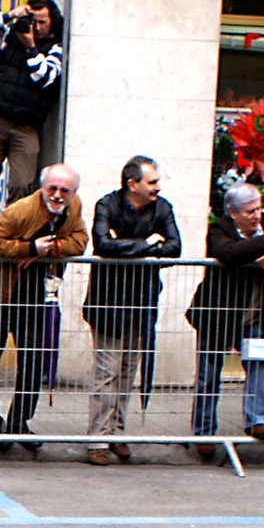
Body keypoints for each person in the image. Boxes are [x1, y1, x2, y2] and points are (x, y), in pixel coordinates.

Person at [0, 163, 88, 451]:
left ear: (74, 192)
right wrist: (27, 248)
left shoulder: (73, 208)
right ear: (42, 188)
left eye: (65, 190)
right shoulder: (20, 211)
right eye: (52, 188)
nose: (58, 195)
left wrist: (48, 249)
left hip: (34, 294)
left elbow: (80, 241)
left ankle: (18, 423)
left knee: (33, 362)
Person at [186, 182, 264, 461]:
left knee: (259, 367)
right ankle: (203, 432)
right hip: (218, 316)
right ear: (232, 213)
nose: (257, 215)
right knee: (208, 375)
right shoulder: (219, 230)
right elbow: (229, 254)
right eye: (249, 211)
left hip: (255, 317)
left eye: (258, 208)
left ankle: (257, 419)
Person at [83, 155, 181, 465]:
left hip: (143, 302)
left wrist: (129, 246)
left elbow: (175, 246)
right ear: (132, 183)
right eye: (151, 182)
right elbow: (100, 245)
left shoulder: (162, 207)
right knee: (106, 372)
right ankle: (97, 439)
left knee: (127, 372)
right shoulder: (107, 204)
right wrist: (147, 244)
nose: (157, 187)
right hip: (108, 302)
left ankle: (117, 433)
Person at [0, 0, 66, 233]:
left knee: (21, 183)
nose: (37, 26)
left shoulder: (56, 48)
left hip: (27, 126)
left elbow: (42, 78)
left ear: (52, 22)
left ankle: (10, 229)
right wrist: (9, 16)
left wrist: (31, 47)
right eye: (33, 20)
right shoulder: (11, 36)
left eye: (42, 22)